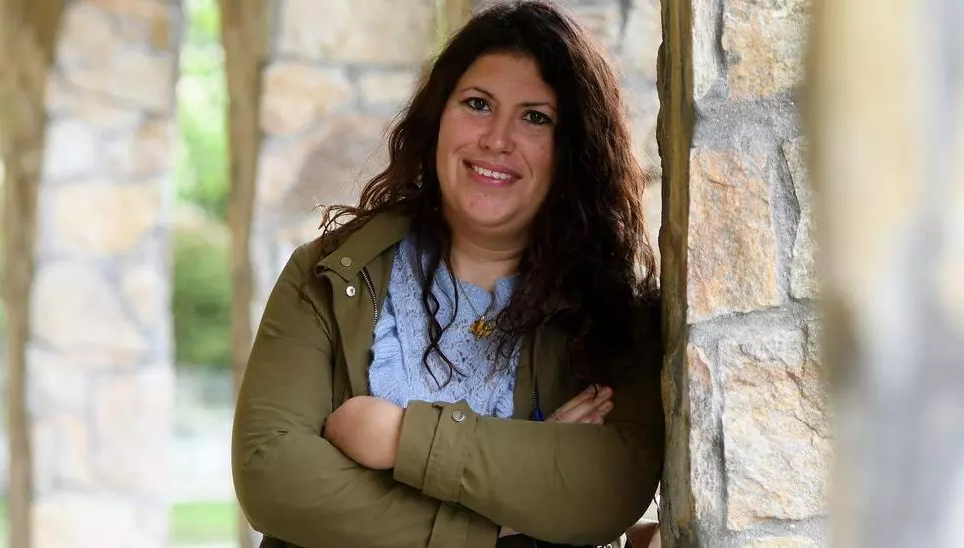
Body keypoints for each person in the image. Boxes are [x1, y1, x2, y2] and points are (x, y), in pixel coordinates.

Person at [232, 1, 664, 547]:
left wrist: (396, 438)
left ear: (572, 150)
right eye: (478, 104)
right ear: (438, 118)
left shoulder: (612, 309)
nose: (497, 139)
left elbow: (608, 489)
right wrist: (502, 518)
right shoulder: (331, 275)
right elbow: (272, 474)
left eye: (536, 117)